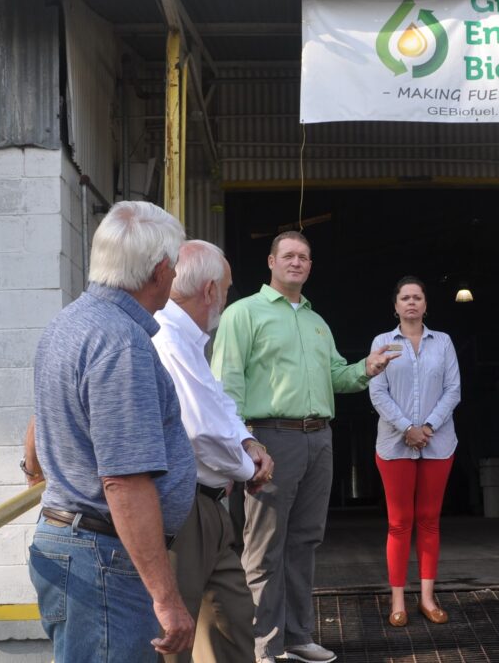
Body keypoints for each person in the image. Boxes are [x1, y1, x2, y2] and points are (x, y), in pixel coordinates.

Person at [210, 231, 399, 663]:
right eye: (289, 255)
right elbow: (227, 383)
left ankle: (297, 636)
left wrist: (365, 369)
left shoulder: (317, 322)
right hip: (270, 436)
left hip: (319, 438)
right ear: (271, 262)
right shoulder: (244, 314)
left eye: (304, 257)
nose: (296, 262)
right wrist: (243, 442)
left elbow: (336, 376)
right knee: (264, 546)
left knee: (305, 541)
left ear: (310, 267)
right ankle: (263, 646)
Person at [28, 201, 196, 661]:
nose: (176, 276)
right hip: (102, 557)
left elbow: (39, 421)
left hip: (78, 544)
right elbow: (124, 480)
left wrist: (36, 469)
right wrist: (166, 598)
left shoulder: (69, 322)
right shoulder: (121, 342)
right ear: (159, 271)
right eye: (176, 267)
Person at [151, 240, 276, 662]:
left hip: (210, 504)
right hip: (183, 509)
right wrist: (250, 470)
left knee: (233, 615)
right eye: (226, 287)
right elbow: (200, 432)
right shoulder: (167, 337)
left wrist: (248, 443)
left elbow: (218, 403)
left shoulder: (191, 338)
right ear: (209, 291)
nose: (227, 295)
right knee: (177, 634)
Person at [369, 276, 461, 627]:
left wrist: (428, 428)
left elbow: (453, 390)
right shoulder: (382, 342)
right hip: (394, 444)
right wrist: (407, 428)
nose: (411, 303)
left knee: (429, 520)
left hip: (438, 444)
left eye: (417, 297)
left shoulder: (444, 343)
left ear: (425, 305)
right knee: (398, 523)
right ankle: (397, 601)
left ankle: (426, 597)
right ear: (395, 306)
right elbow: (377, 393)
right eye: (404, 297)